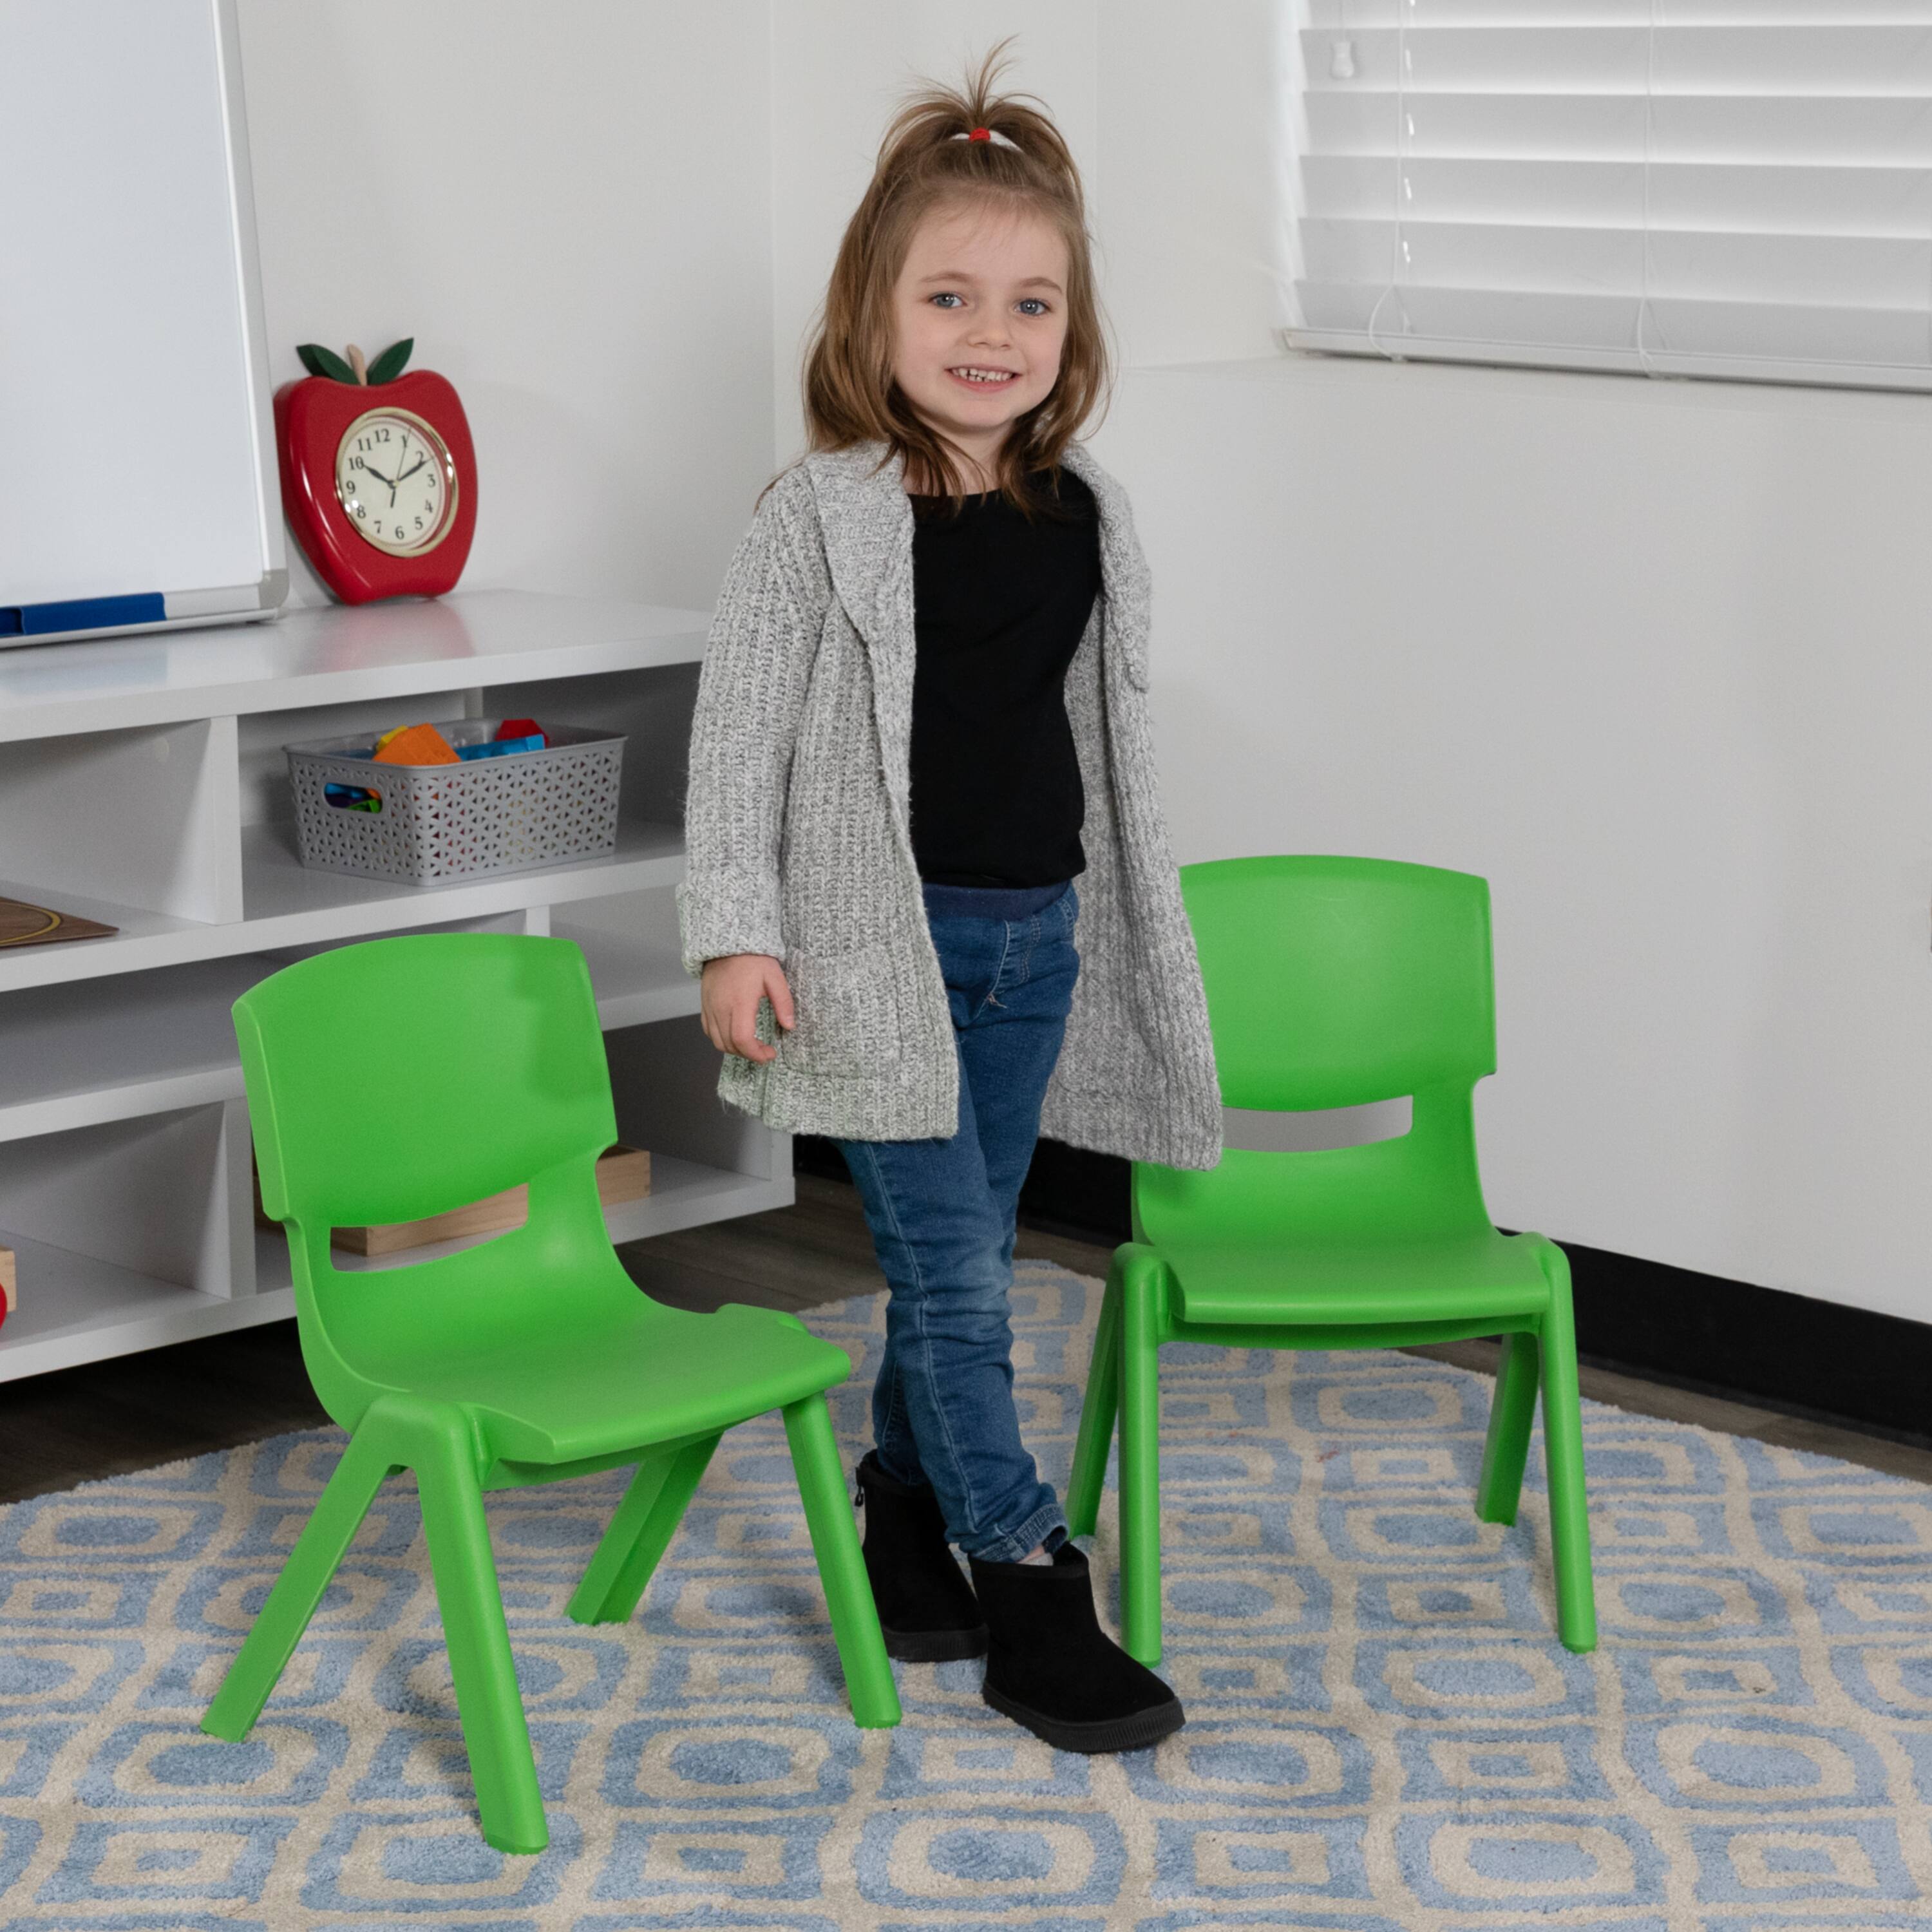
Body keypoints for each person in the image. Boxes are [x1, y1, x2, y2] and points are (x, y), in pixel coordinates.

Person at [677, 42, 1222, 1756]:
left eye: (1033, 305)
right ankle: (1027, 1579)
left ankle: (898, 1507)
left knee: (954, 1266)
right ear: (878, 312)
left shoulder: (1089, 516)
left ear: (1074, 332)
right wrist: (732, 931)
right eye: (952, 297)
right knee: (972, 1288)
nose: (992, 336)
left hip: (1033, 949)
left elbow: (1099, 738)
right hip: (872, 963)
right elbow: (736, 741)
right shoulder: (815, 519)